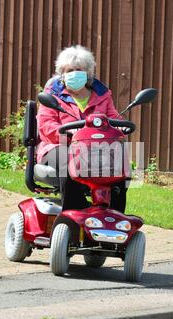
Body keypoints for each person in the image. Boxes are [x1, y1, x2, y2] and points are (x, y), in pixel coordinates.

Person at [37, 45, 127, 212]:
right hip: (59, 146)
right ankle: (74, 212)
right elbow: (45, 126)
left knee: (119, 162)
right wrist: (68, 132)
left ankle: (115, 215)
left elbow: (114, 118)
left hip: (95, 148)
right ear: (62, 73)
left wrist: (119, 126)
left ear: (88, 73)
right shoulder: (52, 96)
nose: (74, 73)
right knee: (70, 159)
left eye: (79, 69)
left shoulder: (102, 95)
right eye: (70, 70)